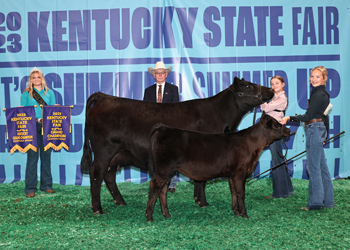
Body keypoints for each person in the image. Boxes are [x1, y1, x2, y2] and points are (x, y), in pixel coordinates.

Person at [281, 66, 334, 211]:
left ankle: (316, 203)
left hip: (314, 129)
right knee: (322, 167)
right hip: (318, 129)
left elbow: (308, 116)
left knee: (313, 167)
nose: (314, 79)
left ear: (324, 78)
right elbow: (325, 116)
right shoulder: (320, 94)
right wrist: (325, 134)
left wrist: (289, 117)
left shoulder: (319, 95)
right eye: (312, 76)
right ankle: (328, 201)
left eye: (318, 76)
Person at [21, 67, 57, 198]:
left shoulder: (50, 93)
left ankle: (46, 185)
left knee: (46, 156)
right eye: (34, 77)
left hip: (46, 125)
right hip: (31, 126)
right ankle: (30, 188)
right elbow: (23, 113)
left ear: (42, 79)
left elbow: (52, 110)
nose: (36, 79)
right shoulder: (27, 93)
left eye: (38, 77)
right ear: (31, 80)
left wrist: (56, 108)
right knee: (32, 157)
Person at [143, 61, 179, 192]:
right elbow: (145, 111)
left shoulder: (173, 89)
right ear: (154, 75)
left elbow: (176, 110)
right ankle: (156, 181)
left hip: (169, 128)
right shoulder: (148, 91)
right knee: (154, 154)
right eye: (157, 73)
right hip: (153, 128)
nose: (160, 75)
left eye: (162, 72)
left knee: (171, 155)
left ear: (166, 74)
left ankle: (172, 183)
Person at [261, 76, 294, 199]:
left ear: (283, 84)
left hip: (276, 132)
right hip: (273, 131)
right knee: (279, 159)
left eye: (277, 83)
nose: (274, 86)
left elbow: (265, 108)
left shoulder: (281, 98)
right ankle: (288, 190)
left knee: (277, 161)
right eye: (272, 84)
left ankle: (280, 193)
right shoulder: (275, 98)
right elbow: (265, 109)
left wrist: (262, 100)